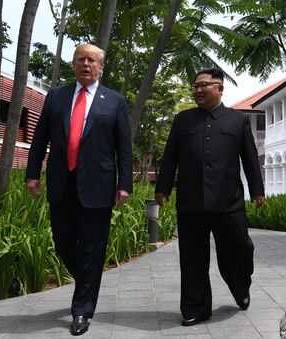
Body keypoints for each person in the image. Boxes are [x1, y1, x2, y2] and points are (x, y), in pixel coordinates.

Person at [26, 44, 132, 336]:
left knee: (91, 249)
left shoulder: (114, 101)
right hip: (62, 182)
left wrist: (125, 184)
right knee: (63, 244)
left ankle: (82, 310)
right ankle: (88, 281)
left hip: (98, 185)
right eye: (80, 59)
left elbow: (123, 147)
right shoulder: (56, 96)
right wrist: (32, 173)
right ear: (73, 65)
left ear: (101, 67)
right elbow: (39, 138)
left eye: (92, 60)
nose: (86, 64)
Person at [155, 68, 265, 326]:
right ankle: (195, 307)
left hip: (229, 201)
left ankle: (240, 286)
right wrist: (162, 187)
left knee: (239, 249)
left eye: (204, 85)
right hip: (190, 201)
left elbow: (249, 159)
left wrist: (257, 190)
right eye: (195, 85)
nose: (198, 90)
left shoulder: (238, 121)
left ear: (220, 88)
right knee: (192, 257)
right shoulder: (182, 120)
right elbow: (170, 157)